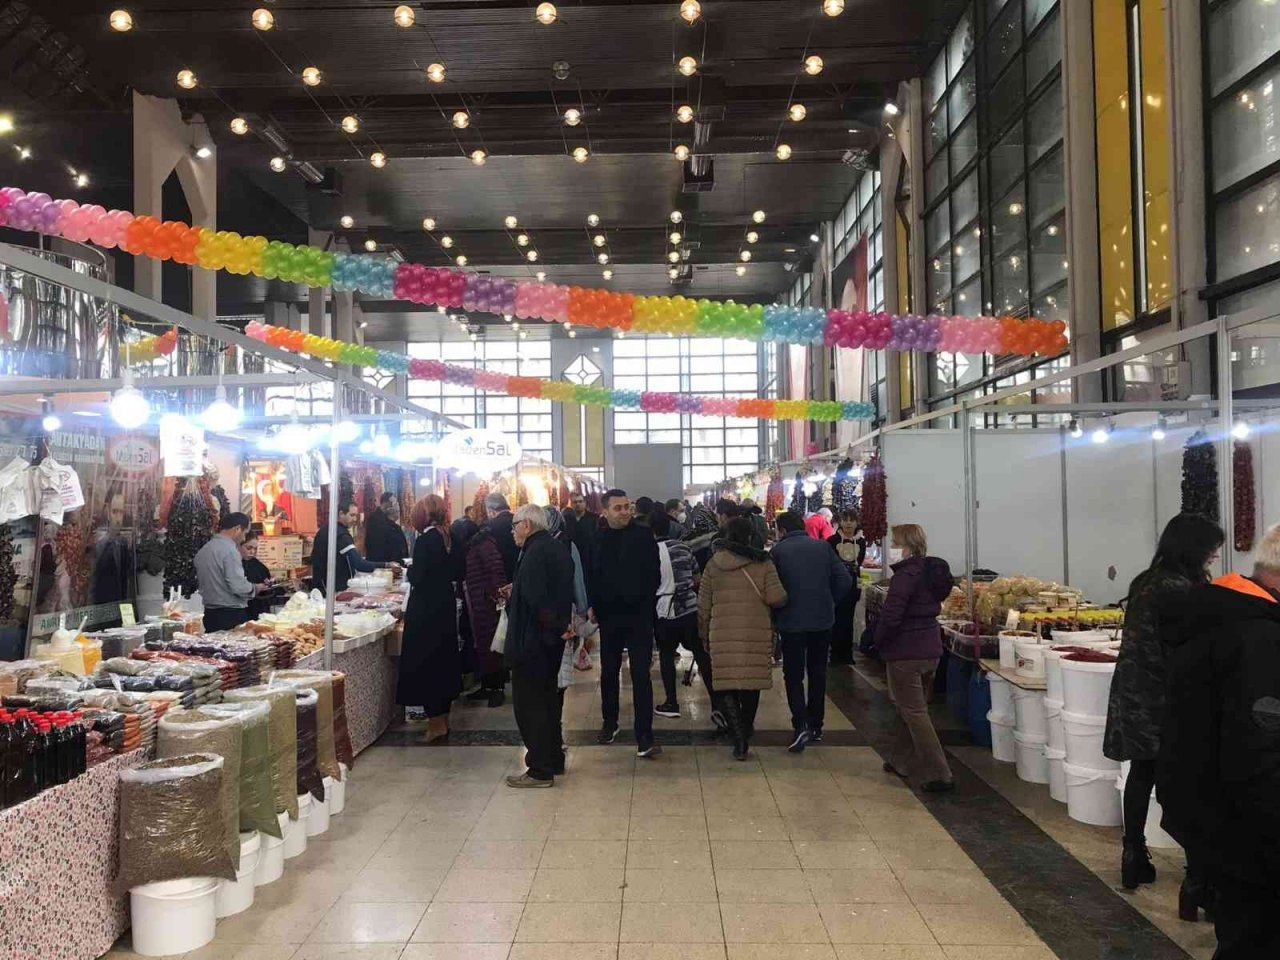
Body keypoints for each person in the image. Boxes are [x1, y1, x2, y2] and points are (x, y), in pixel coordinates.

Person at [1158, 522, 1280, 957]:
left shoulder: (1221, 612)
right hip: (1245, 827)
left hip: (1212, 811)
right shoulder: (1258, 635)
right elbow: (1259, 750)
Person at [1104, 513, 1223, 898]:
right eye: (1210, 550)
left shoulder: (1146, 582)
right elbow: (1191, 651)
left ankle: (1133, 853)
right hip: (1170, 699)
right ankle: (1197, 875)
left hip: (1135, 694)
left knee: (1141, 773)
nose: (1214, 557)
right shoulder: (1182, 591)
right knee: (1185, 783)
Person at [697, 517, 787, 759]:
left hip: (722, 632)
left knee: (725, 684)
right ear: (750, 536)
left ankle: (739, 739)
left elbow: (703, 606)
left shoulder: (714, 565)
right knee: (750, 683)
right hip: (754, 632)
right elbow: (777, 597)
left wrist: (703, 633)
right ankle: (744, 731)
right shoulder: (763, 563)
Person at [875, 523, 955, 792]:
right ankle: (901, 760)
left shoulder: (905, 576)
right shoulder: (931, 573)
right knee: (907, 707)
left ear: (907, 546)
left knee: (914, 712)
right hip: (930, 648)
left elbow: (892, 615)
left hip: (906, 651)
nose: (892, 549)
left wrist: (878, 640)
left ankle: (939, 772)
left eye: (895, 544)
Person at [587, 488, 662, 757]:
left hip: (638, 616)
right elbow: (592, 574)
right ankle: (610, 722)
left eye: (626, 506)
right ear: (605, 511)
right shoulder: (597, 538)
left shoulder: (643, 535)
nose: (624, 512)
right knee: (609, 672)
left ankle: (645, 735)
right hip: (609, 616)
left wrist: (644, 602)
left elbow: (654, 574)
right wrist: (594, 604)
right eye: (617, 508)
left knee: (641, 674)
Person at [506, 504, 576, 787]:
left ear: (526, 524)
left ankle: (539, 770)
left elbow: (537, 599)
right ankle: (552, 759)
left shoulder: (535, 552)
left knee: (530, 705)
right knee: (547, 702)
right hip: (548, 640)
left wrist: (557, 627)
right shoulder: (555, 546)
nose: (512, 532)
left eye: (514, 526)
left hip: (533, 641)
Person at [771, 510, 853, 751]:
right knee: (818, 672)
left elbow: (773, 590)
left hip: (791, 622)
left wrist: (778, 612)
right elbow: (845, 581)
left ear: (782, 530)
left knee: (793, 674)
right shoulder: (823, 548)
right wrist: (829, 601)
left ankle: (801, 725)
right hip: (822, 621)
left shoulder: (778, 552)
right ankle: (816, 725)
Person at [395, 495, 463, 743]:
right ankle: (443, 721)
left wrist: (409, 570)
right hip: (444, 607)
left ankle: (435, 725)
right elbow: (458, 570)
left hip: (425, 611)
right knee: (443, 663)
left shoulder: (426, 541)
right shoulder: (449, 537)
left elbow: (418, 576)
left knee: (428, 665)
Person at [652, 510, 716, 722]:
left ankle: (671, 701)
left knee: (667, 655)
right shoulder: (684, 548)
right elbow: (697, 578)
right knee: (701, 653)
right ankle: (717, 702)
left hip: (664, 611)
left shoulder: (649, 551)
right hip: (689, 608)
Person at [464, 514, 511, 708]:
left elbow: (495, 571)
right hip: (481, 603)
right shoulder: (479, 545)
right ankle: (487, 685)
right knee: (485, 646)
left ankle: (497, 689)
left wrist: (497, 597)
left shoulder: (485, 546)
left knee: (494, 646)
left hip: (488, 604)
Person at [194, 513, 266, 631]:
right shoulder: (230, 551)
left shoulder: (204, 550)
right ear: (237, 529)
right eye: (245, 533)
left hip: (210, 614)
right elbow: (238, 587)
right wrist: (256, 588)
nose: (243, 538)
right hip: (231, 615)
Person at [310, 500, 400, 595]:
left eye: (355, 516)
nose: (354, 519)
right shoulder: (341, 535)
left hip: (322, 586)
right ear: (341, 514)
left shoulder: (325, 530)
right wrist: (387, 565)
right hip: (333, 590)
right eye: (351, 515)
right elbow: (359, 564)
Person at [828, 510, 867, 665]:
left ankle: (847, 654)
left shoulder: (862, 542)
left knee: (849, 619)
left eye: (852, 520)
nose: (849, 523)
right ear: (840, 522)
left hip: (853, 587)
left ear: (857, 522)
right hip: (836, 587)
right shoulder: (831, 541)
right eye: (845, 520)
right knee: (836, 620)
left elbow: (860, 562)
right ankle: (835, 654)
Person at [364, 492, 409, 564]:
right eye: (394, 503)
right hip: (381, 564)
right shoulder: (375, 519)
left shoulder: (389, 522)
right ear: (386, 503)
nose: (396, 506)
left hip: (393, 564)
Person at [240, 531, 276, 620]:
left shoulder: (256, 563)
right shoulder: (233, 564)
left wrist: (269, 583)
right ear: (239, 545)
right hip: (242, 610)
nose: (252, 551)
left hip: (259, 609)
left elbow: (265, 577)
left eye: (255, 549)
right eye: (249, 548)